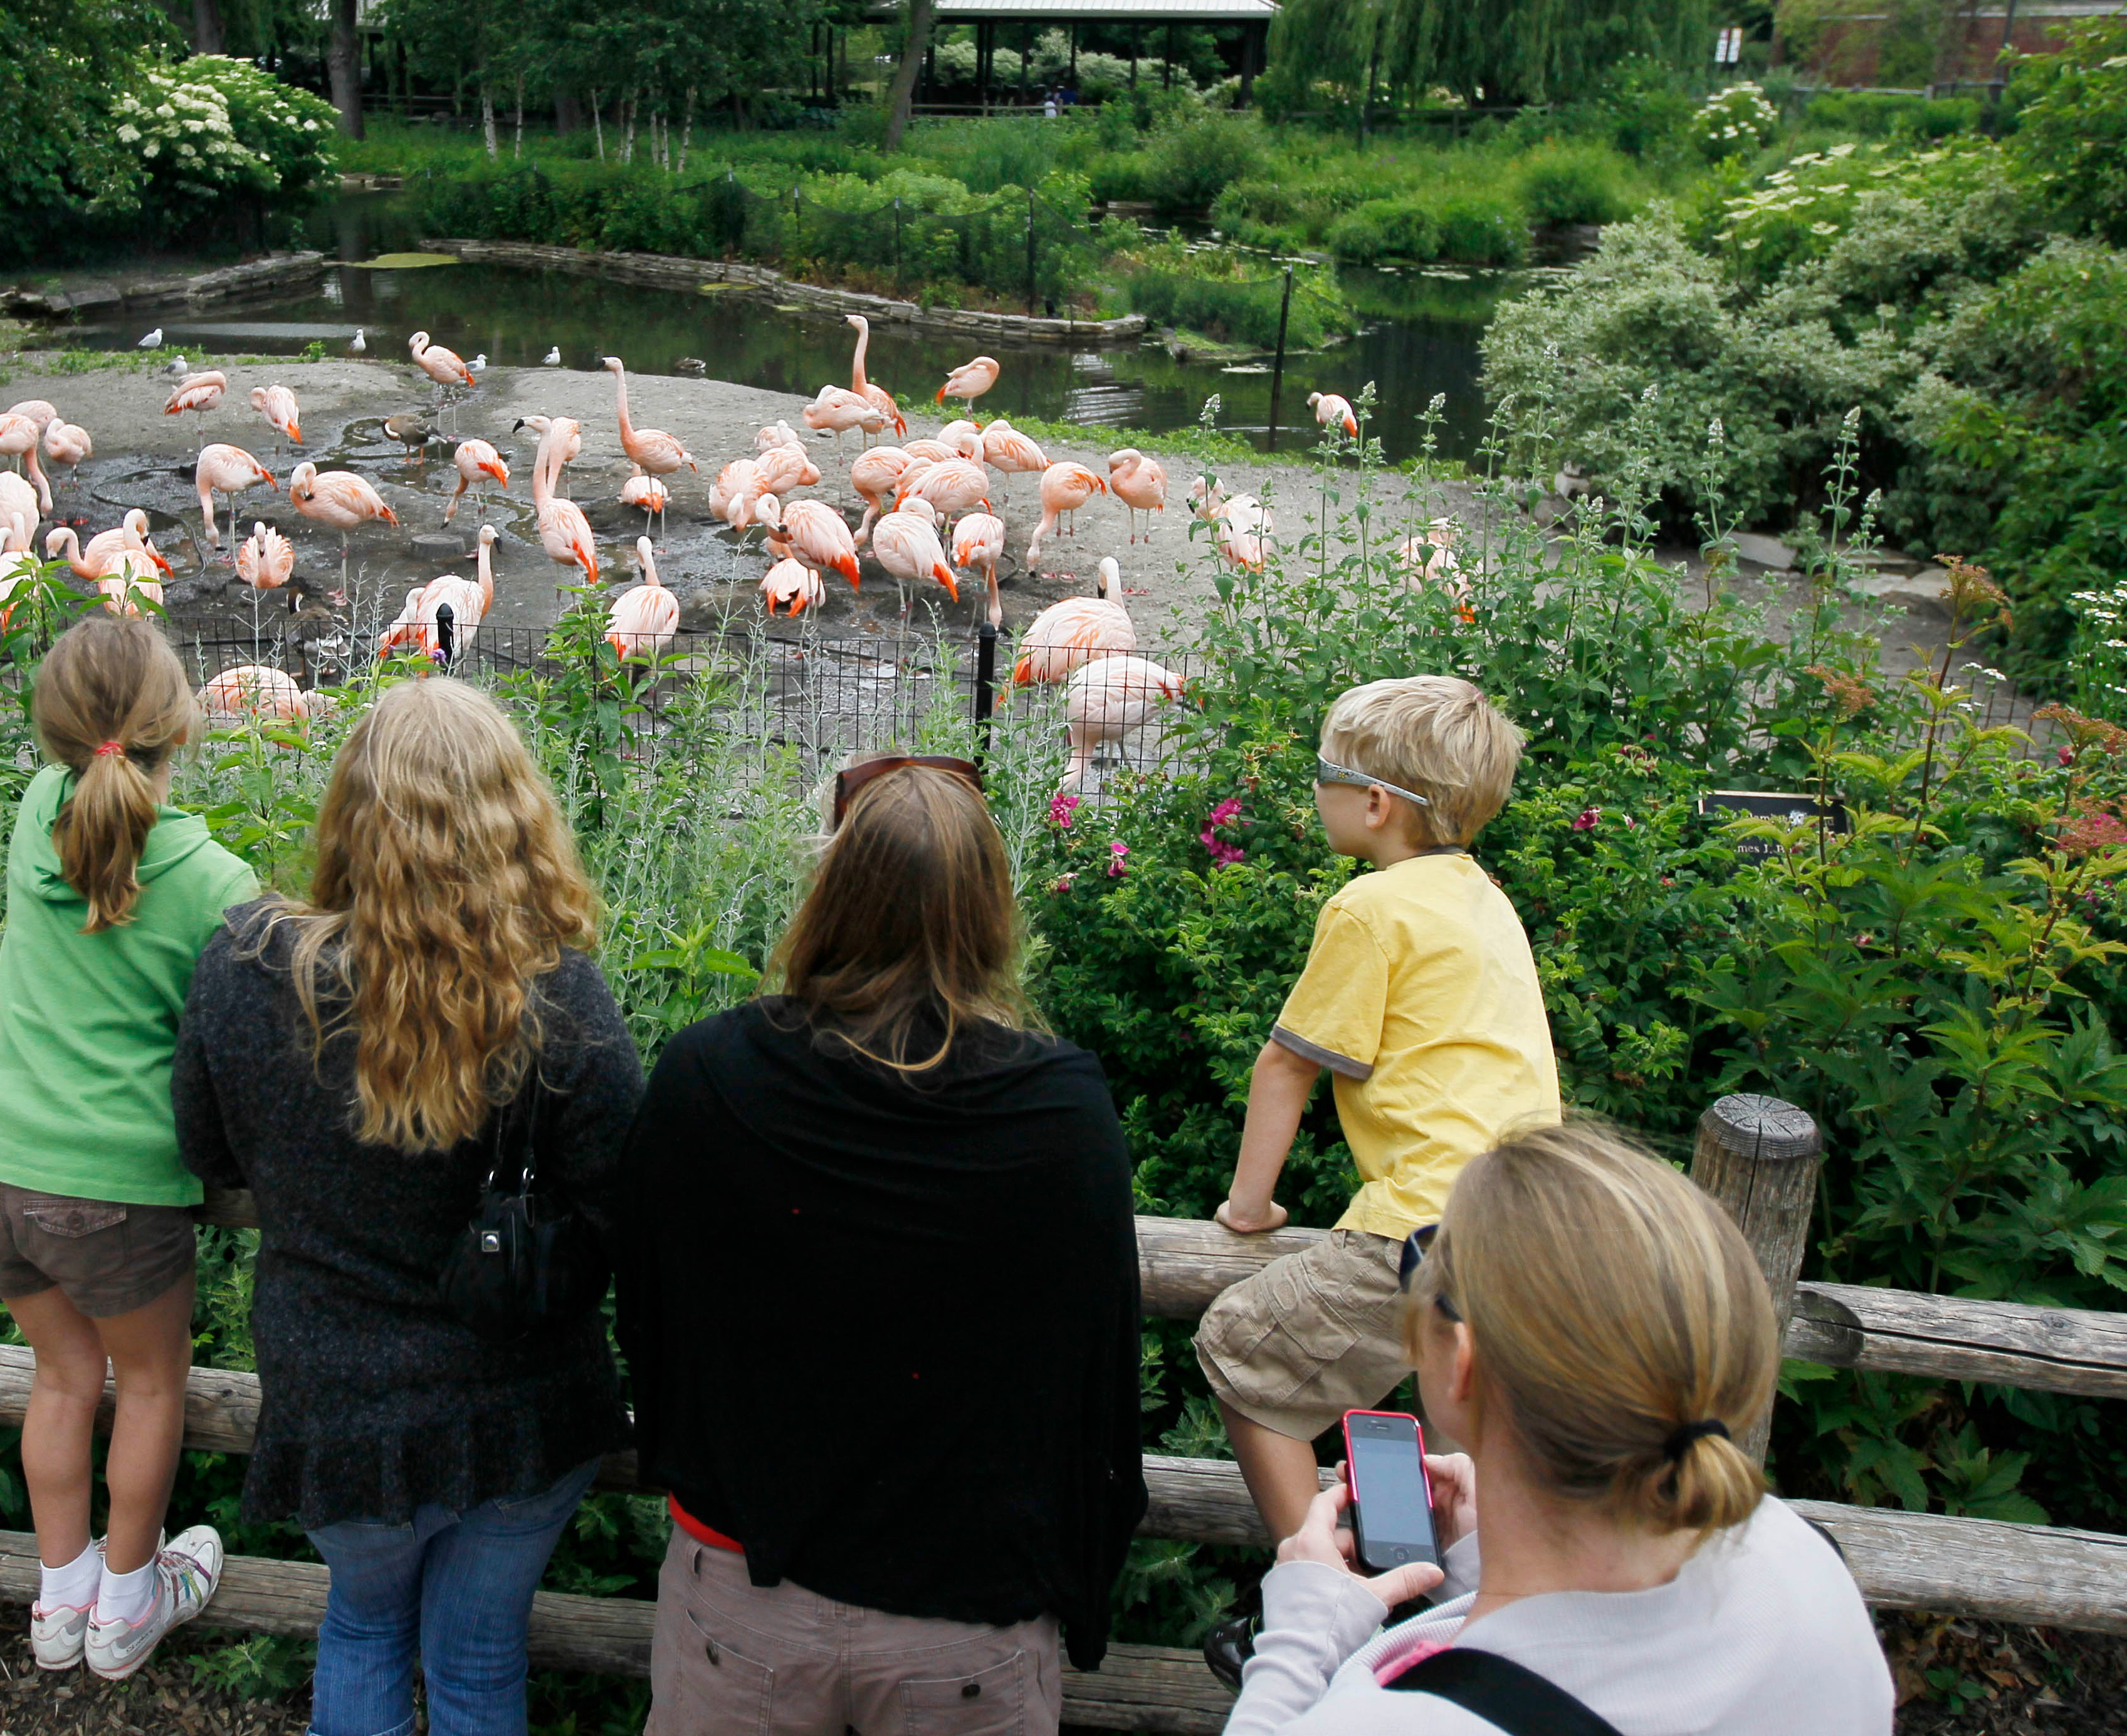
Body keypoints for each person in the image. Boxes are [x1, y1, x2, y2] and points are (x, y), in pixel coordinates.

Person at [615, 754, 1145, 1736]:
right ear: (990, 907)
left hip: (744, 1586)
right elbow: (1098, 1355)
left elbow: (645, 1301)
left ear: (829, 890)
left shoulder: (706, 1076)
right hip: (967, 1616)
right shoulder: (1060, 1112)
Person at [172, 676, 641, 1736]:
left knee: (363, 1628)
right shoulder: (556, 997)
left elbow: (205, 1150)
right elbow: (627, 1203)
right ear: (514, 815)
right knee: (478, 1659)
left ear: (347, 809)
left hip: (336, 1400)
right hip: (521, 1405)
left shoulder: (247, 967)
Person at [1222, 1123, 1894, 1734]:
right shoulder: (1802, 1556)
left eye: (1428, 1256)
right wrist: (1490, 1556)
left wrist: (1301, 1642)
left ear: (1462, 1361)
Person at [1195, 676, 1558, 1681]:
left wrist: (1247, 1206)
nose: (1310, 789)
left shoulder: (1368, 908)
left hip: (1423, 1223)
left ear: (1373, 804)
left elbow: (1288, 1063)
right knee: (1454, 1436)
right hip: (1522, 1218)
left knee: (1241, 1355)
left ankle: (1321, 1601)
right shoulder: (1483, 899)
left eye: (1322, 772)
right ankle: (1455, 1621)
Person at [0, 614, 256, 1680]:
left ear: (57, 736)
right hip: (113, 1190)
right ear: (183, 728)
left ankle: (58, 1597)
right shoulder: (219, 882)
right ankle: (130, 1603)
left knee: (63, 1377)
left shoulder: (38, 810)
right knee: (153, 1384)